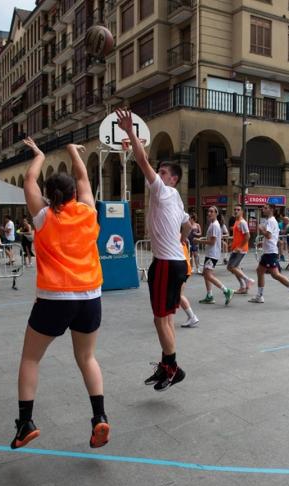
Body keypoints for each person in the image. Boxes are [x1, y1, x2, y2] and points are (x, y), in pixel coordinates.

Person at [11, 138, 109, 450]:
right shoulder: (88, 213)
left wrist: (39, 155)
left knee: (30, 357)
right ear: (72, 194)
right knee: (87, 357)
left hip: (54, 298)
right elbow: (83, 178)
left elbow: (29, 180)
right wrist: (72, 152)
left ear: (50, 194)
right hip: (90, 295)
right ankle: (99, 417)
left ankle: (25, 422)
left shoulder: (42, 217)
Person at [117, 109, 190, 391]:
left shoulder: (162, 190)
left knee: (159, 319)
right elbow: (189, 225)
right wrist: (181, 240)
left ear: (173, 179)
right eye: (158, 172)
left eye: (163, 173)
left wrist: (130, 131)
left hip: (165, 263)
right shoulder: (178, 200)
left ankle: (172, 368)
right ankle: (165, 366)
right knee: (168, 318)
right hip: (177, 262)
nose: (157, 175)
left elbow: (141, 160)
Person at [249, 203, 289, 305]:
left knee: (275, 274)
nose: (263, 210)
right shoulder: (271, 221)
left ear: (271, 210)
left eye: (265, 208)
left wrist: (261, 229)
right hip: (268, 251)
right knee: (259, 271)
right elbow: (272, 237)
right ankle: (259, 296)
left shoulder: (271, 221)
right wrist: (263, 242)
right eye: (263, 208)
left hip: (270, 252)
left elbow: (268, 235)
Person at [196, 206, 234, 305]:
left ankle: (226, 290)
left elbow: (212, 242)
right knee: (206, 274)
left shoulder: (215, 225)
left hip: (212, 254)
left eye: (211, 211)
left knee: (208, 274)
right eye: (208, 211)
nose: (209, 213)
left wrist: (199, 241)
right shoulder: (213, 224)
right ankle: (209, 295)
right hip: (211, 253)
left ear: (216, 213)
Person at [227, 205, 254, 294]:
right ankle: (243, 287)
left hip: (240, 249)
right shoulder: (236, 221)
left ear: (242, 212)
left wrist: (239, 247)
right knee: (236, 267)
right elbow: (238, 236)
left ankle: (247, 280)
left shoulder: (242, 222)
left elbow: (247, 236)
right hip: (236, 248)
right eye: (235, 209)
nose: (236, 211)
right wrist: (232, 244)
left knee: (231, 267)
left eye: (238, 210)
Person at [179, 240, 199, 328]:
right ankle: (191, 316)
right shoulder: (180, 237)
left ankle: (192, 316)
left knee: (179, 295)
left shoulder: (176, 237)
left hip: (182, 268)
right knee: (178, 294)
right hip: (184, 268)